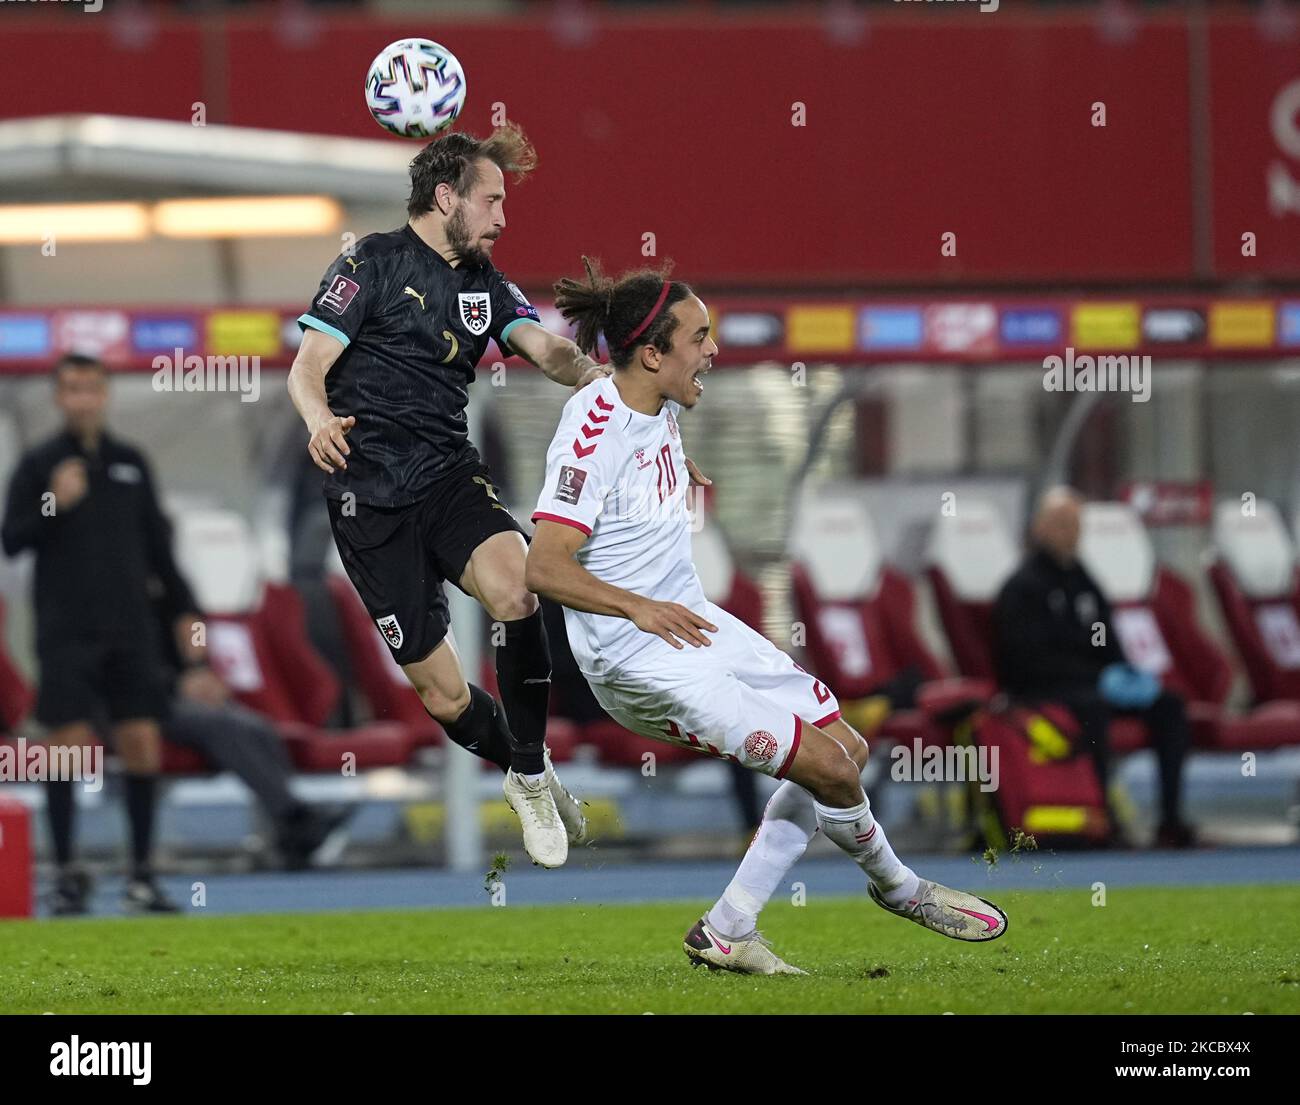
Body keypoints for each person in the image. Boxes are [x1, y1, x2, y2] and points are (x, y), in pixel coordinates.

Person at [524, 259, 1007, 974]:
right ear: (652, 352)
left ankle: (727, 927)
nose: (713, 350)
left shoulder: (649, 401)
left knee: (846, 746)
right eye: (700, 336)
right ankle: (899, 886)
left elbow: (635, 452)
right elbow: (545, 566)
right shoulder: (592, 430)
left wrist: (670, 478)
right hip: (638, 657)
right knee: (829, 772)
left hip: (690, 623)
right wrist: (638, 606)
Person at [287, 123, 609, 867]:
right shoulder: (367, 262)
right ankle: (528, 764)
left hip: (446, 478)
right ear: (446, 197)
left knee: (519, 591)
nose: (503, 217)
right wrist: (318, 419)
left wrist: (598, 377)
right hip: (368, 503)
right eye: (491, 201)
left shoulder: (486, 285)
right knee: (442, 696)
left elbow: (548, 347)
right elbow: (308, 367)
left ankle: (527, 772)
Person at [0, 353, 180, 914]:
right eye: (72, 389)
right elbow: (12, 539)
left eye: (91, 388)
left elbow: (159, 550)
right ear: (59, 396)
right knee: (67, 754)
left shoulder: (131, 462)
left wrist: (185, 616)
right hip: (66, 632)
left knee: (142, 746)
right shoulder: (39, 464)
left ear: (104, 394)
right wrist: (56, 502)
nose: (82, 399)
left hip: (131, 630)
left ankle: (142, 874)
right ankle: (66, 874)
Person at [992, 487, 1194, 848]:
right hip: (1043, 691)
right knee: (1093, 710)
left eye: (1075, 525)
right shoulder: (1022, 588)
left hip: (1094, 684)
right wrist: (1097, 679)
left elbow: (1106, 638)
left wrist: (1124, 673)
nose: (1070, 533)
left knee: (1170, 706)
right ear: (1038, 527)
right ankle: (1102, 819)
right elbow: (1023, 663)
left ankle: (1171, 819)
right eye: (1060, 524)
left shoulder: (1083, 580)